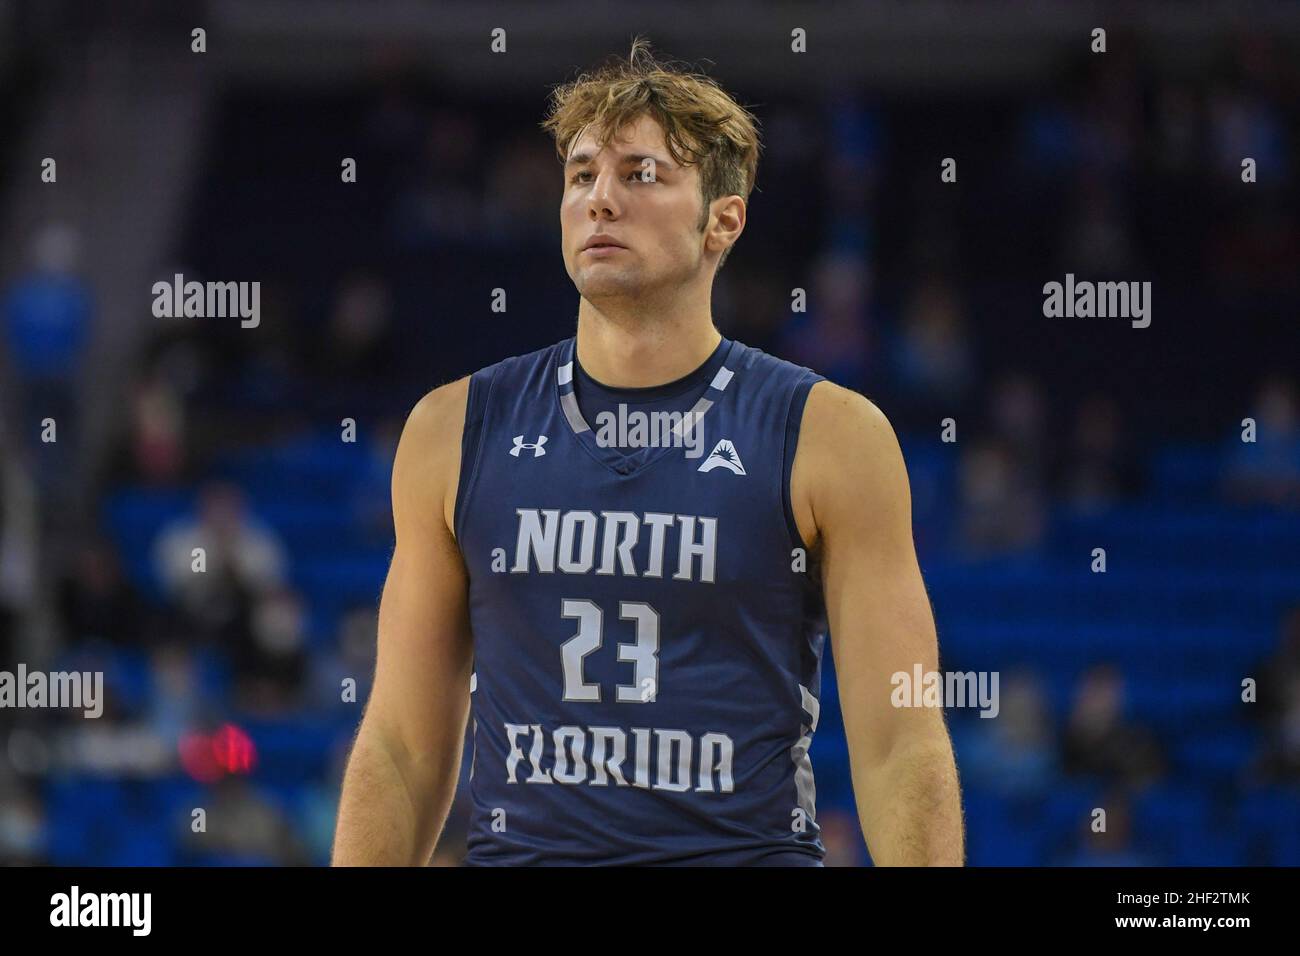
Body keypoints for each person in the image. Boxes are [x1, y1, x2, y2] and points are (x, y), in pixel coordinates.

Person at [332, 40, 962, 866]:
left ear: (722, 222)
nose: (600, 199)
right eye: (582, 174)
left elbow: (900, 746)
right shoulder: (452, 428)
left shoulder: (830, 435)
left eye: (641, 174)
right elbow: (401, 749)